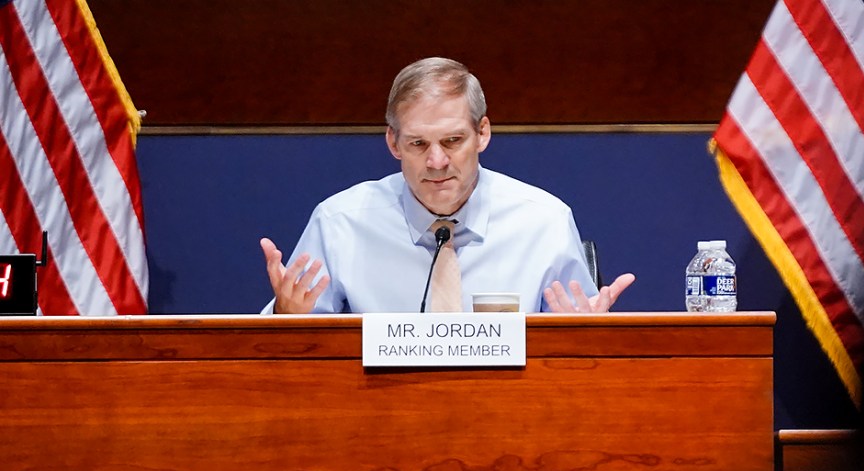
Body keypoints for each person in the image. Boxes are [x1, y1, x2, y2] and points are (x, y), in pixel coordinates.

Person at [261, 57, 634, 314]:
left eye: (453, 141)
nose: (437, 162)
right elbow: (293, 347)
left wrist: (588, 333)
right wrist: (284, 316)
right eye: (418, 144)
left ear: (482, 133)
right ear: (393, 144)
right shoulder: (340, 222)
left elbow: (576, 343)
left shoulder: (543, 221)